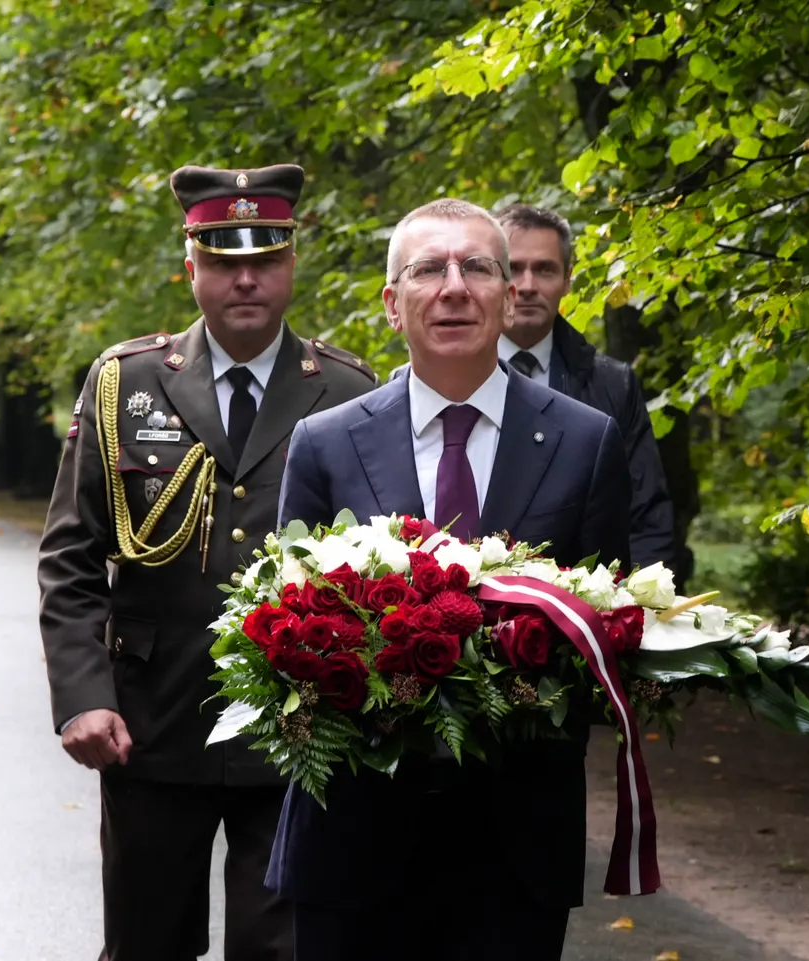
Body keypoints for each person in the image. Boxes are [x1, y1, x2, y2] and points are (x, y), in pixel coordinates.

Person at [269, 198, 631, 960]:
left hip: (515, 845)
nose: (455, 286)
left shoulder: (587, 441)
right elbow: (285, 635)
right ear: (393, 304)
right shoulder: (324, 443)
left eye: (478, 267)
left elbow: (605, 638)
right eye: (429, 268)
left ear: (509, 295)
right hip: (352, 838)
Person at [37, 163, 378, 961]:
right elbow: (71, 555)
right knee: (146, 946)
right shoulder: (127, 383)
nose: (246, 278)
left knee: (285, 951)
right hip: (150, 727)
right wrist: (82, 697)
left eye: (265, 258)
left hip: (299, 731)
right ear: (192, 265)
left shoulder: (348, 392)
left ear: (294, 262)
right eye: (224, 260)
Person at [493, 203, 676, 573]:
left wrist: (636, 615)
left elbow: (647, 517)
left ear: (567, 281)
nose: (527, 286)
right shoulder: (443, 377)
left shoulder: (612, 385)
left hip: (581, 615)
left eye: (545, 269)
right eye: (514, 268)